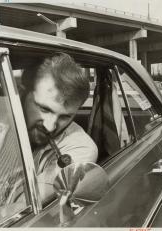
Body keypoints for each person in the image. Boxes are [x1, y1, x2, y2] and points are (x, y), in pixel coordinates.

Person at [21, 52, 98, 201]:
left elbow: (23, 205)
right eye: (44, 109)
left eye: (65, 117)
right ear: (22, 93)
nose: (50, 127)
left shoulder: (82, 147)